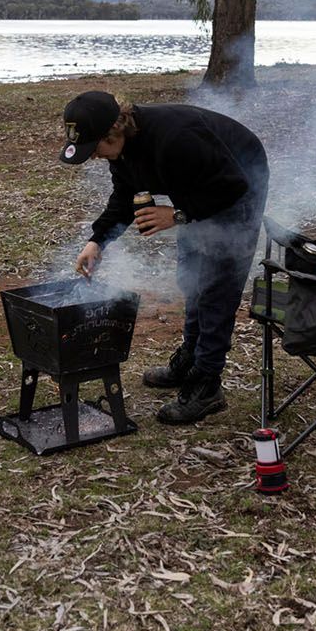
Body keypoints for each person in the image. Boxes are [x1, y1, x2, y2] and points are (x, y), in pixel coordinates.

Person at [61, 90, 268, 425]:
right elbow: (124, 196)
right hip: (199, 187)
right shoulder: (123, 150)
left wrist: (178, 215)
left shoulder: (175, 139)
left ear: (113, 131)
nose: (94, 157)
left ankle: (207, 384)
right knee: (192, 277)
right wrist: (97, 241)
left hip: (239, 183)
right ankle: (191, 358)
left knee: (217, 285)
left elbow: (233, 186)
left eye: (94, 148)